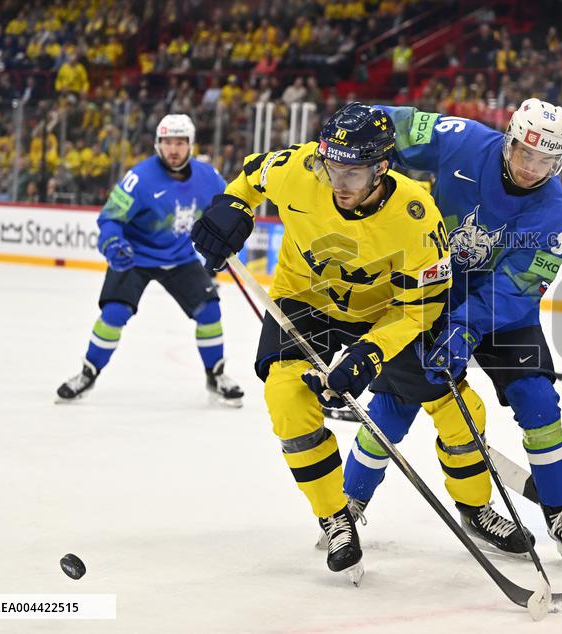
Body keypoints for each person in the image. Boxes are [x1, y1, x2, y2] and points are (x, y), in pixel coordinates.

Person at [190, 103, 451, 584]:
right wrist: (232, 207)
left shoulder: (417, 215)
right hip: (305, 300)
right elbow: (250, 177)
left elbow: (423, 305)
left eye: (353, 173)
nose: (339, 183)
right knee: (286, 399)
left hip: (382, 312)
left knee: (454, 401)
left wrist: (372, 352)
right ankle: (335, 517)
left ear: (382, 167)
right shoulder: (300, 168)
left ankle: (476, 509)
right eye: (333, 168)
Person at [340, 98, 562, 568]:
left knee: (538, 399)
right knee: (397, 404)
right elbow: (385, 124)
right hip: (428, 292)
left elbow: (517, 287)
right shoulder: (463, 140)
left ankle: (560, 510)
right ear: (509, 141)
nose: (532, 168)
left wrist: (464, 326)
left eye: (545, 160)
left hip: (500, 313)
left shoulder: (555, 214)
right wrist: (346, 135)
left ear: (559, 161)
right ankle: (349, 502)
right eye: (525, 153)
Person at [56, 114, 243, 407]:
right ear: (157, 144)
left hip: (180, 257)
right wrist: (113, 243)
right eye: (167, 142)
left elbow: (228, 207)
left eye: (180, 142)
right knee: (114, 314)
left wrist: (230, 230)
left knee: (209, 312)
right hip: (135, 256)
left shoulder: (208, 177)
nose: (173, 149)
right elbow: (110, 219)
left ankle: (216, 375)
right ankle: (88, 373)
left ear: (191, 144)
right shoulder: (139, 178)